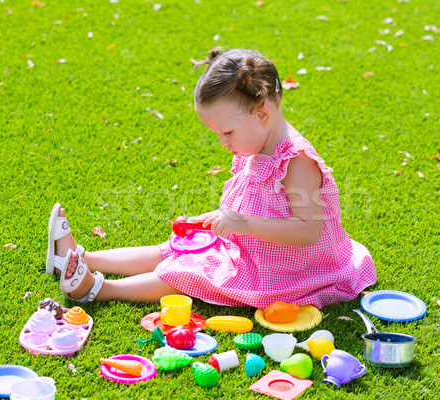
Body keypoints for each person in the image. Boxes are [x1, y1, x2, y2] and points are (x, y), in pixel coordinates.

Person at [47, 48, 376, 308]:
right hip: (254, 246)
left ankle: (98, 290)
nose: (223, 142)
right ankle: (79, 259)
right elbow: (257, 203)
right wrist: (218, 219)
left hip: (289, 269)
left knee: (189, 271)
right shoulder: (259, 142)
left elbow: (309, 231)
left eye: (227, 132)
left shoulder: (297, 162)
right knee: (176, 248)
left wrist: (243, 224)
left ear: (261, 114)